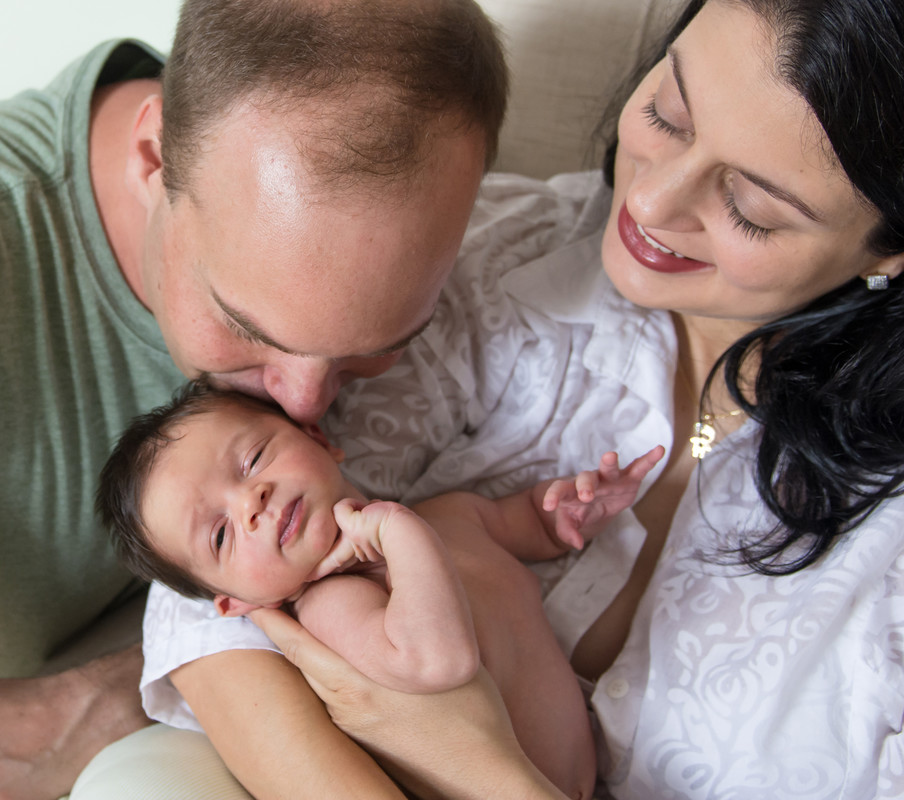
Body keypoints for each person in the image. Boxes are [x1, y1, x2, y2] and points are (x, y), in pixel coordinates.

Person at [0, 0, 508, 798]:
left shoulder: (393, 242)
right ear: (154, 157)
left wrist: (102, 696)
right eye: (245, 325)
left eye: (372, 347)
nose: (305, 404)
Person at [140, 0, 904, 798]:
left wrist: (473, 759)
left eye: (751, 207)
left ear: (888, 247)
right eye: (668, 114)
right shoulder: (479, 263)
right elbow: (209, 588)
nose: (650, 203)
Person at [97, 380, 665, 798]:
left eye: (253, 459)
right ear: (238, 603)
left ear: (318, 438)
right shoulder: (335, 607)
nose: (252, 502)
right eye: (220, 535)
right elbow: (438, 661)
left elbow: (525, 527)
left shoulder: (448, 516)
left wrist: (566, 513)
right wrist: (397, 530)